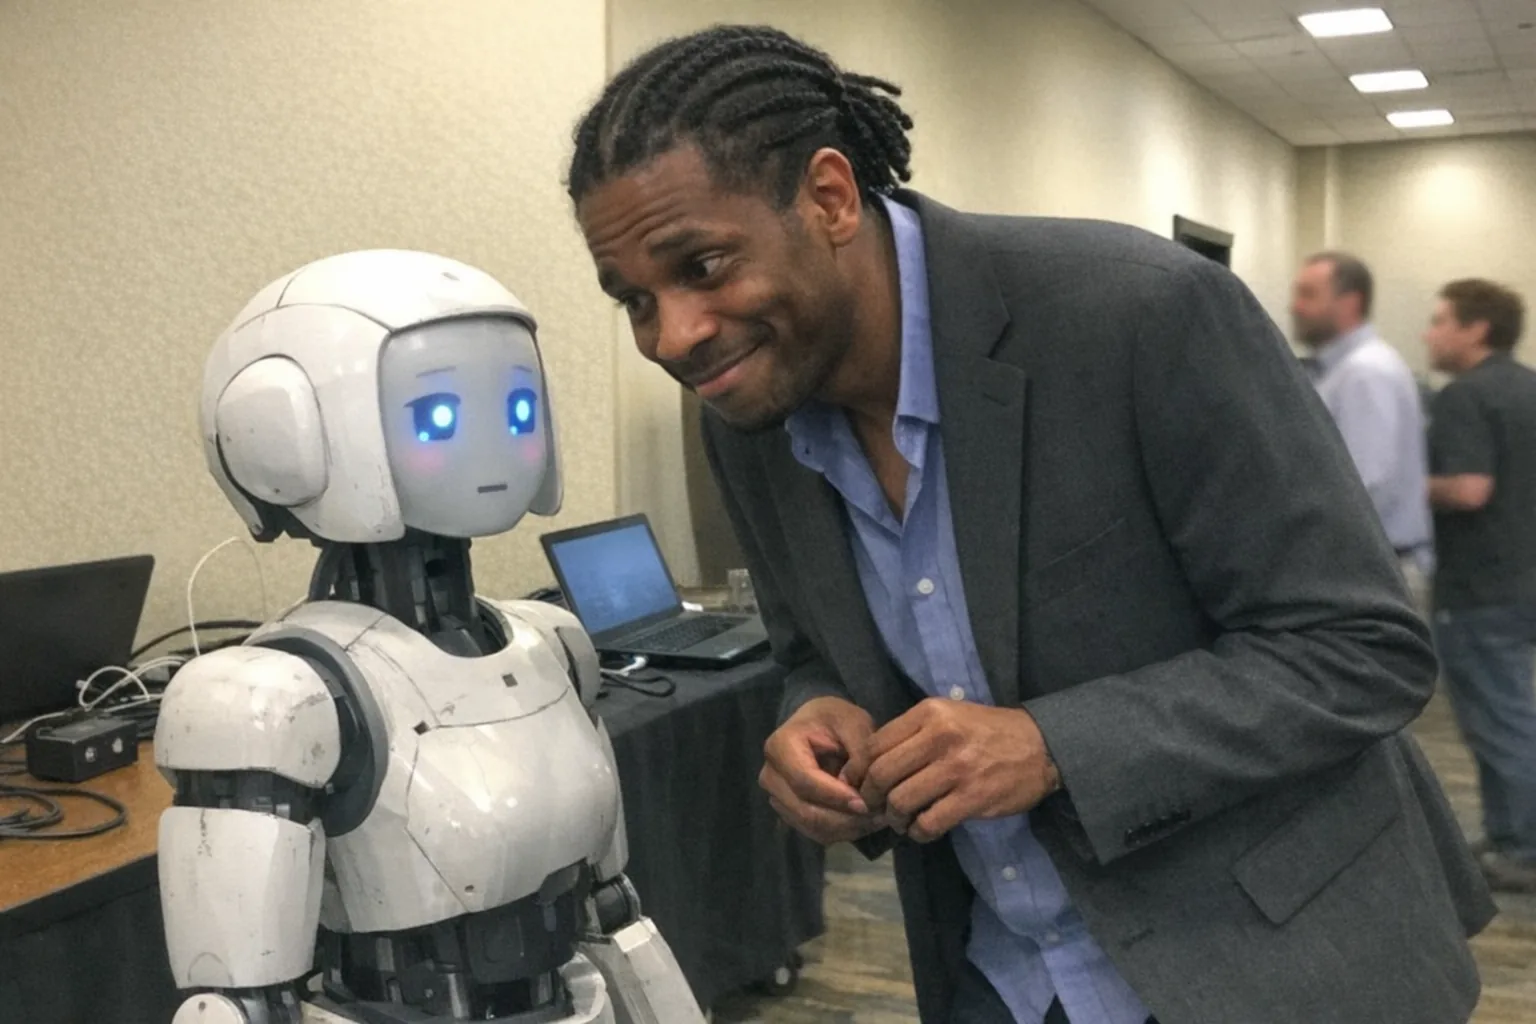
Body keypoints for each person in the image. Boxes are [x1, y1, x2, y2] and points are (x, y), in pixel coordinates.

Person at [565, 25, 1493, 1024]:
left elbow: (1362, 649)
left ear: (829, 197)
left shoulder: (1143, 313)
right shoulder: (747, 420)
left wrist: (1052, 745)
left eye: (702, 265)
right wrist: (815, 709)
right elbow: (807, 647)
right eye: (633, 301)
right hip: (1001, 975)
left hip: (1269, 964)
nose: (673, 335)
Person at [1424, 278, 1536, 892]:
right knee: (1510, 712)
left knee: (1500, 719)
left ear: (1476, 329)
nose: (1429, 332)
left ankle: (1523, 848)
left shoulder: (1465, 396)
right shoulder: (1528, 388)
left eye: (1440, 320)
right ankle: (1506, 829)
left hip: (1482, 587)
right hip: (1523, 577)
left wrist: (1397, 490)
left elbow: (1469, 489)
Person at [1292, 252, 1434, 591]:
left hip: (1368, 574)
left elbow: (1365, 483)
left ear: (1350, 303)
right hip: (1364, 569)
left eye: (1308, 295)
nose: (1294, 306)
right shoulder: (1341, 372)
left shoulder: (1365, 373)